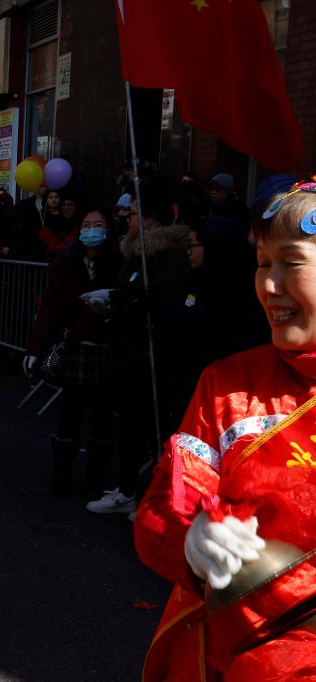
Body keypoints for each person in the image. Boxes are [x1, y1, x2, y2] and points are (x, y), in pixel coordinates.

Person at [133, 183, 316, 681]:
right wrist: (193, 541)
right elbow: (159, 510)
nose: (270, 286)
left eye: (291, 263)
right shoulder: (229, 385)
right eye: (262, 263)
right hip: (237, 661)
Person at [84, 179, 192, 514]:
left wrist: (120, 300)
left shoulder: (169, 255)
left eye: (132, 213)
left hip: (154, 357)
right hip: (127, 354)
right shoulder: (132, 252)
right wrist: (112, 302)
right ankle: (127, 490)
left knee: (156, 430)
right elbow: (130, 293)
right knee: (131, 426)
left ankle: (161, 500)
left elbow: (160, 300)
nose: (126, 218)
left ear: (150, 218)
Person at [25, 209, 122, 497]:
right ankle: (61, 474)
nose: (92, 230)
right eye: (87, 224)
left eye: (99, 225)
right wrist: (34, 348)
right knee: (70, 413)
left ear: (108, 230)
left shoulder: (120, 262)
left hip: (107, 351)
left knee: (103, 417)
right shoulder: (65, 264)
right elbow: (49, 310)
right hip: (75, 349)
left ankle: (95, 479)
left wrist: (111, 305)